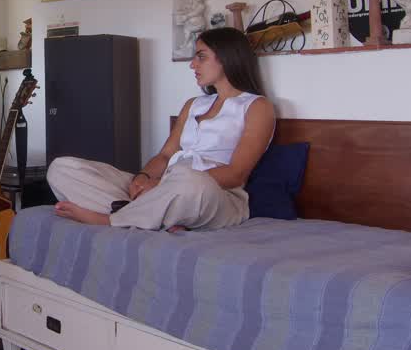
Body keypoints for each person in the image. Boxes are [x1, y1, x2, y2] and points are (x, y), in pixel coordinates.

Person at [51, 27, 275, 232]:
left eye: (201, 56)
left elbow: (236, 174)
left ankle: (112, 220)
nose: (192, 64)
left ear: (228, 58)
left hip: (214, 195)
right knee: (61, 168)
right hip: (168, 184)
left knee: (190, 181)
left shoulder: (256, 106)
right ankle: (153, 214)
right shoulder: (194, 104)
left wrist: (162, 185)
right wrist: (142, 178)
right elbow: (166, 155)